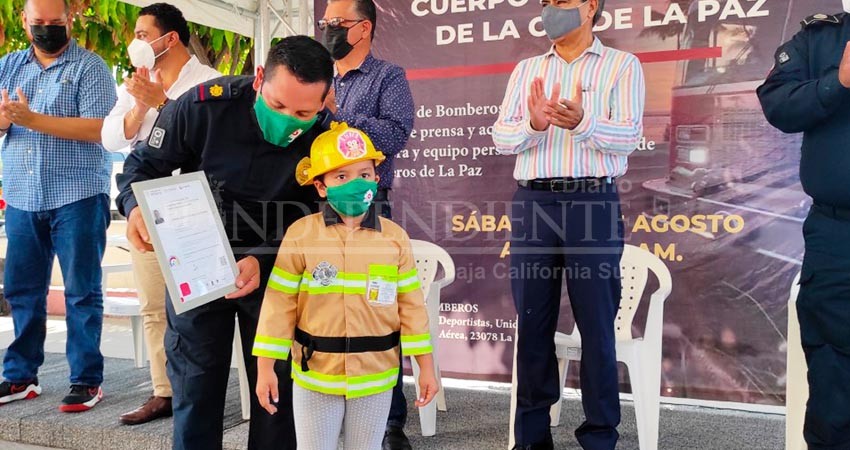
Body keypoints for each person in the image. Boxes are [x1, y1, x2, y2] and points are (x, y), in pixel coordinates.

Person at [115, 36, 334, 450]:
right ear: (257, 79)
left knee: (276, 394)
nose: (289, 119)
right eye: (277, 105)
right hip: (199, 262)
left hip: (278, 270)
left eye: (304, 112)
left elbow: (329, 216)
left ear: (324, 102)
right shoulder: (202, 106)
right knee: (195, 389)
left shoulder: (326, 137)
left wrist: (263, 259)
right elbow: (142, 167)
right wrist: (135, 209)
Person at [492, 0, 645, 449]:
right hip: (534, 202)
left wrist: (583, 123)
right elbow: (503, 137)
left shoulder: (621, 65)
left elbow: (630, 135)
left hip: (591, 201)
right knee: (533, 322)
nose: (551, 10)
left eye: (562, 2)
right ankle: (532, 437)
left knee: (596, 323)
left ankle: (599, 436)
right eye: (546, 3)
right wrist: (534, 125)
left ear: (590, 7)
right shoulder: (526, 69)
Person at [253, 122, 438, 450]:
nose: (356, 183)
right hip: (316, 376)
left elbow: (411, 308)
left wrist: (425, 367)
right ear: (321, 186)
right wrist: (266, 366)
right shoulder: (301, 234)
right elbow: (279, 303)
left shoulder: (394, 238)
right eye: (342, 176)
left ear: (377, 179)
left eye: (364, 174)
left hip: (376, 376)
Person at [100, 2, 221, 426]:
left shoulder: (210, 81)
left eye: (141, 33)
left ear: (168, 39)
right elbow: (109, 136)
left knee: (197, 306)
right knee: (153, 304)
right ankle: (163, 391)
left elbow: (215, 140)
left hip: (193, 206)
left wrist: (165, 102)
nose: (135, 42)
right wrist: (138, 107)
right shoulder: (134, 83)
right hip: (145, 203)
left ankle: (201, 394)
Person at [0, 0, 117, 412]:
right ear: (24, 21)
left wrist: (31, 119)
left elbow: (102, 129)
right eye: (38, 23)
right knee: (22, 290)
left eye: (55, 22)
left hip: (78, 195)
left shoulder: (91, 68)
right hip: (21, 195)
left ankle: (86, 380)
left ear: (71, 20)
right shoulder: (9, 65)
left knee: (82, 291)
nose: (47, 29)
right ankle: (20, 376)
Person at [318, 1, 416, 446]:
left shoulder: (386, 77)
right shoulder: (316, 73)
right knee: (323, 310)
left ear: (363, 29)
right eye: (325, 23)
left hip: (370, 208)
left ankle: (390, 420)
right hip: (315, 208)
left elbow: (395, 134)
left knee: (378, 312)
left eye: (336, 23)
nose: (328, 29)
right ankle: (325, 408)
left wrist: (340, 115)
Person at [758, 7, 850, 450]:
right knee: (835, 382)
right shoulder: (822, 37)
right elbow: (778, 103)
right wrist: (839, 82)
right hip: (839, 239)